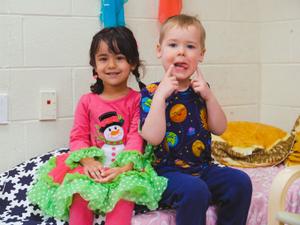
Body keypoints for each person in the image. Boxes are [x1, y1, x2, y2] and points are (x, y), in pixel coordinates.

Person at [28, 26, 167, 225]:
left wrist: (125, 168)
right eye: (103, 58)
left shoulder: (139, 100)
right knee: (79, 190)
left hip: (125, 167)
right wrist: (88, 162)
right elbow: (78, 137)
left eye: (119, 57)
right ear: (94, 65)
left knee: (124, 194)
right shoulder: (87, 101)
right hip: (93, 165)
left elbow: (137, 137)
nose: (111, 65)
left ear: (133, 63)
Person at [140, 14, 252, 225]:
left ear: (201, 54)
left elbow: (220, 128)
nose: (181, 51)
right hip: (164, 171)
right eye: (173, 45)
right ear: (159, 51)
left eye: (190, 46)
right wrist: (161, 97)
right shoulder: (151, 92)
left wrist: (209, 96)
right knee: (195, 190)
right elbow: (153, 138)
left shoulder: (201, 90)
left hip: (202, 167)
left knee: (240, 182)